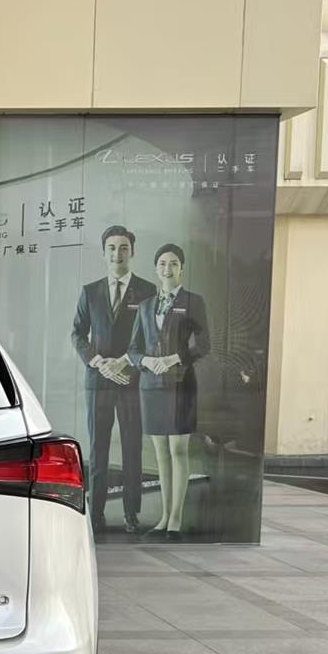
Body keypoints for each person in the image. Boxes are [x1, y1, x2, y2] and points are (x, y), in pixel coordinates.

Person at [71, 225, 156, 535]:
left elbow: (152, 336)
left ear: (132, 252)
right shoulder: (90, 291)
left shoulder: (147, 290)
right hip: (98, 381)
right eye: (111, 247)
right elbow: (77, 333)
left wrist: (125, 362)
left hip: (132, 381)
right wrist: (98, 362)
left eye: (123, 248)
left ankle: (131, 513)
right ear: (103, 252)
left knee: (133, 447)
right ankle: (95, 513)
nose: (117, 253)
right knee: (98, 449)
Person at [127, 243, 210, 541]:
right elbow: (133, 349)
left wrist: (174, 358)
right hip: (150, 386)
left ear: (181, 269)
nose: (167, 268)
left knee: (178, 449)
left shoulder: (193, 301)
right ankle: (163, 517)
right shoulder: (146, 306)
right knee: (160, 453)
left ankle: (176, 519)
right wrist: (147, 361)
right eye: (162, 263)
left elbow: (204, 345)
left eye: (173, 263)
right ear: (155, 268)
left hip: (180, 384)